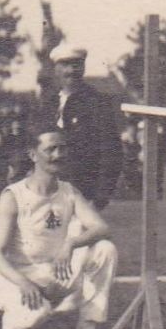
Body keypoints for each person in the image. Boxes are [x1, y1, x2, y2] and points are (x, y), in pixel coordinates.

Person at [0, 129, 119, 329]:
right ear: (33, 155)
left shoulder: (68, 191)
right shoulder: (13, 196)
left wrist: (71, 243)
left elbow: (102, 228)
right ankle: (13, 324)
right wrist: (24, 283)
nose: (59, 155)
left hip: (55, 271)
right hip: (16, 277)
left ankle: (87, 328)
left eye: (62, 148)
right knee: (37, 315)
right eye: (51, 149)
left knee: (105, 249)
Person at [40, 44, 124, 208]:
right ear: (56, 69)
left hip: (82, 194)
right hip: (46, 195)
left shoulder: (97, 103)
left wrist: (101, 197)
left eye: (76, 65)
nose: (71, 70)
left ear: (83, 67)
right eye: (65, 65)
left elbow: (111, 152)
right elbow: (33, 144)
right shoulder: (47, 104)